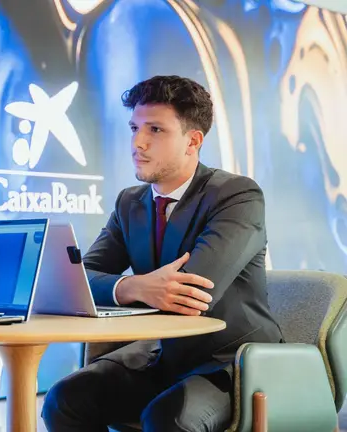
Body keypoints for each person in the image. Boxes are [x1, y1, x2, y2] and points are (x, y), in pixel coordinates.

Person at [41, 75, 283, 431]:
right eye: (135, 127)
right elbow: (76, 279)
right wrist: (133, 287)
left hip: (231, 363)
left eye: (155, 129)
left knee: (168, 419)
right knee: (65, 400)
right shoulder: (130, 203)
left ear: (193, 141)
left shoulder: (236, 196)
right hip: (163, 357)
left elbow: (193, 293)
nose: (138, 142)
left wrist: (133, 287)